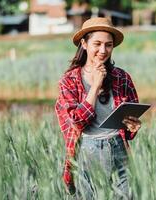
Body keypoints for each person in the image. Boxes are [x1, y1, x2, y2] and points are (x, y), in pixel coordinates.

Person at [55, 17, 141, 199]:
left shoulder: (122, 77)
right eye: (97, 44)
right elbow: (77, 123)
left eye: (108, 45)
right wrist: (95, 86)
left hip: (119, 147)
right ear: (84, 44)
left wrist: (132, 126)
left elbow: (129, 126)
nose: (103, 50)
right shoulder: (69, 81)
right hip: (87, 150)